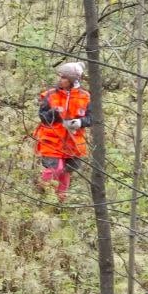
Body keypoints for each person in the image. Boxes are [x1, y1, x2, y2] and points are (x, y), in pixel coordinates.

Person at [34, 61, 91, 201]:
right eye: (60, 76)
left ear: (73, 80)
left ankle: (60, 201)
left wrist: (79, 122)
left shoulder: (85, 97)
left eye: (64, 77)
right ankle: (41, 194)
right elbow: (42, 117)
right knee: (55, 169)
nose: (60, 80)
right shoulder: (50, 95)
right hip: (51, 140)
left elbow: (92, 118)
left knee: (66, 172)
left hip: (73, 142)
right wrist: (54, 114)